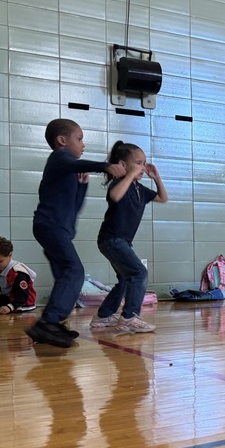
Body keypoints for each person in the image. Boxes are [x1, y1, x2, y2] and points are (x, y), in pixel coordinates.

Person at [26, 119, 125, 348]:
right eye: (79, 139)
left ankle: (54, 323)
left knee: (65, 275)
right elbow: (73, 163)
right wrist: (105, 166)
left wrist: (81, 187)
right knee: (74, 270)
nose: (83, 144)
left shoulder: (68, 170)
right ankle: (48, 322)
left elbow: (74, 206)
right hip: (50, 226)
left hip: (54, 228)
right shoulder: (59, 158)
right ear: (62, 140)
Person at [89, 141, 168, 335]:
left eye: (144, 163)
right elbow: (115, 196)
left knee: (125, 279)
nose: (143, 167)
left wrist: (157, 178)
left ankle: (103, 315)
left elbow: (162, 197)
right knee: (139, 273)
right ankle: (130, 317)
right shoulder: (119, 184)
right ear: (123, 165)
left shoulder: (139, 189)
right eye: (139, 163)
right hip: (112, 239)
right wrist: (131, 174)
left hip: (120, 241)